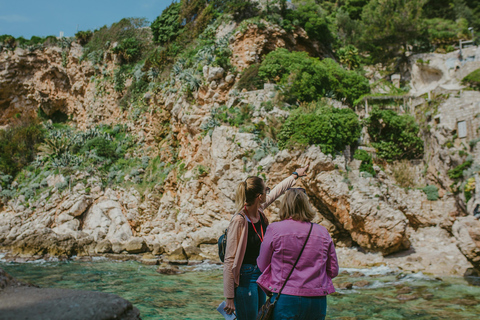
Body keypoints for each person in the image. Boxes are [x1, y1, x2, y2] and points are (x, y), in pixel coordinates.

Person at [223, 165, 309, 319]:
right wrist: (229, 297)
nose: (268, 192)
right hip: (245, 277)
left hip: (261, 275)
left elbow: (278, 190)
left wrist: (295, 175)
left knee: (261, 317)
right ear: (259, 196)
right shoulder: (239, 220)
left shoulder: (260, 212)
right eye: (265, 190)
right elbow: (230, 259)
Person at [256, 188, 339, 320]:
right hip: (317, 300)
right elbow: (333, 271)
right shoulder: (323, 232)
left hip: (285, 297)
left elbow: (262, 265)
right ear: (307, 206)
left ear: (285, 205)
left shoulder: (275, 229)